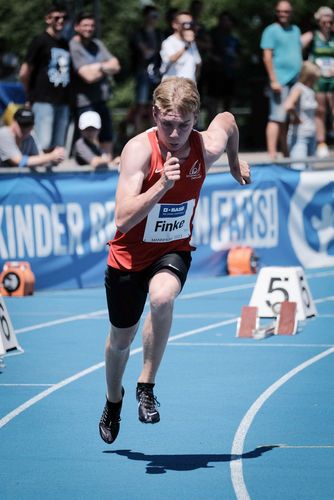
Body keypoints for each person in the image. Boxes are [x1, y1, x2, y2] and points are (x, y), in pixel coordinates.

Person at [98, 76, 250, 444]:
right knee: (121, 340)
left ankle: (146, 385)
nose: (176, 133)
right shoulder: (139, 150)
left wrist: (233, 162)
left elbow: (228, 120)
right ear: (155, 115)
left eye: (184, 124)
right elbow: (122, 217)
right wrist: (161, 185)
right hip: (128, 256)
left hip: (172, 247)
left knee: (163, 296)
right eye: (167, 124)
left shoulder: (204, 145)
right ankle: (113, 400)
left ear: (196, 116)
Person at [19, 2, 71, 152]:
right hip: (42, 100)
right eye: (56, 17)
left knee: (58, 146)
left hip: (62, 101)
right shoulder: (40, 40)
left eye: (64, 18)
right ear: (48, 19)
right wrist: (29, 96)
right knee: (43, 144)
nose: (61, 21)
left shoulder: (64, 43)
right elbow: (24, 72)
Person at [69, 12, 121, 159]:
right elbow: (88, 77)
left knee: (107, 135)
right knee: (87, 139)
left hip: (101, 99)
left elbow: (116, 65)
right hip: (84, 102)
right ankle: (90, 166)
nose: (89, 28)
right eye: (85, 25)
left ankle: (106, 166)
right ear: (76, 27)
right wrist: (105, 67)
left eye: (92, 25)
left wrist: (96, 67)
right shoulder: (73, 46)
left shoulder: (97, 44)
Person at [260, 1, 303, 161]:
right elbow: (267, 56)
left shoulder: (296, 30)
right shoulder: (270, 31)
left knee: (290, 118)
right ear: (276, 12)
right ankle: (272, 155)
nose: (283, 14)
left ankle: (286, 153)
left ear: (291, 12)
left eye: (286, 11)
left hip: (296, 81)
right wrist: (273, 80)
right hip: (280, 80)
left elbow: (296, 51)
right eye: (280, 11)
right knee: (276, 117)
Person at [301, 6, 334, 158]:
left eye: (330, 22)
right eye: (324, 22)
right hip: (319, 78)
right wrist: (306, 66)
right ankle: (322, 142)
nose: (327, 25)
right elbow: (295, 47)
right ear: (319, 21)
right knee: (320, 110)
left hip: (332, 78)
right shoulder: (312, 36)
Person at [129, 5, 164, 133]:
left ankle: (154, 136)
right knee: (140, 106)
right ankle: (138, 136)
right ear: (146, 17)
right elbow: (146, 53)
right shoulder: (138, 33)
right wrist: (157, 50)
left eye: (156, 16)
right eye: (152, 16)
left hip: (156, 73)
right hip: (142, 73)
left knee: (154, 107)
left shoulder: (159, 33)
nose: (155, 19)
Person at [284, 61, 321, 169]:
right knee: (298, 169)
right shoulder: (298, 88)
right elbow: (288, 105)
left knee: (310, 170)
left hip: (311, 134)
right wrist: (296, 118)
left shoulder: (311, 90)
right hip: (299, 136)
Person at [0, 107, 64, 167]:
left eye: (28, 125)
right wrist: (51, 156)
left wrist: (55, 159)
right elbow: (19, 161)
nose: (25, 129)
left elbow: (40, 158)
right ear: (13, 122)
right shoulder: (3, 134)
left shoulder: (31, 135)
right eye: (22, 125)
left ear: (32, 126)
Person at [206, 11, 240, 122]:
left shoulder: (234, 38)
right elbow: (208, 51)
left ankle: (228, 126)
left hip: (230, 75)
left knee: (229, 104)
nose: (226, 22)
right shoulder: (213, 34)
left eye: (228, 20)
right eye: (223, 20)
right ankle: (212, 127)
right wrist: (216, 59)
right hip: (216, 73)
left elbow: (238, 55)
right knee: (214, 103)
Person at [159, 11, 201, 82]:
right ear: (174, 24)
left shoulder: (191, 42)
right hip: (171, 88)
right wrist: (186, 46)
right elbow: (172, 59)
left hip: (188, 89)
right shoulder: (168, 42)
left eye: (190, 24)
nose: (188, 26)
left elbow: (198, 63)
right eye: (184, 24)